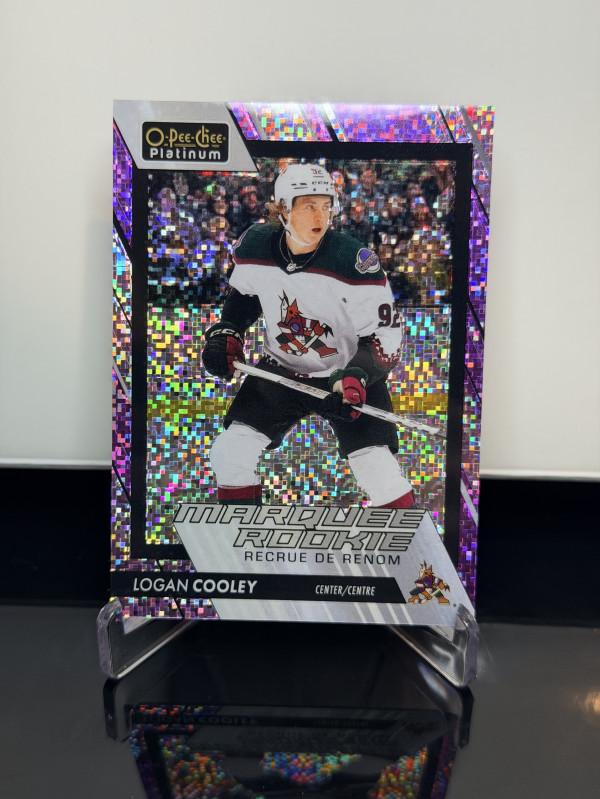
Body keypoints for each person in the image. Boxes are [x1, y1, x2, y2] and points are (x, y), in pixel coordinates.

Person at [201, 163, 414, 508]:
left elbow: (385, 337)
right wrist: (229, 330)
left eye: (326, 205)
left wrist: (356, 377)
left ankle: (416, 542)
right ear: (283, 209)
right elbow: (245, 295)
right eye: (309, 205)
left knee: (378, 471)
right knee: (229, 453)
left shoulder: (353, 260)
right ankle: (240, 535)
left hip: (345, 376)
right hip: (281, 371)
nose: (321, 215)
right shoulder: (255, 245)